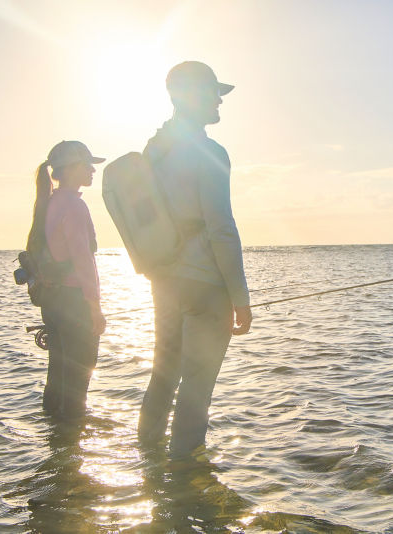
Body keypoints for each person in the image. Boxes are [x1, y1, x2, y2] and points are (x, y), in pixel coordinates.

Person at [138, 61, 252, 455]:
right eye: (212, 92)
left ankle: (149, 464)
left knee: (163, 376)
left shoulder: (154, 150)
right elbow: (221, 228)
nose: (219, 100)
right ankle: (186, 485)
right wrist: (241, 298)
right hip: (205, 284)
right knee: (196, 389)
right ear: (186, 96)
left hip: (163, 280)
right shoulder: (209, 151)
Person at [26, 140, 106, 419]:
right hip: (75, 303)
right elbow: (83, 260)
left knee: (58, 376)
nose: (93, 171)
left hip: (54, 302)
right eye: (87, 165)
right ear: (72, 168)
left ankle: (53, 444)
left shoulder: (49, 203)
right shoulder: (73, 206)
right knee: (77, 382)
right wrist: (94, 308)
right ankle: (70, 450)